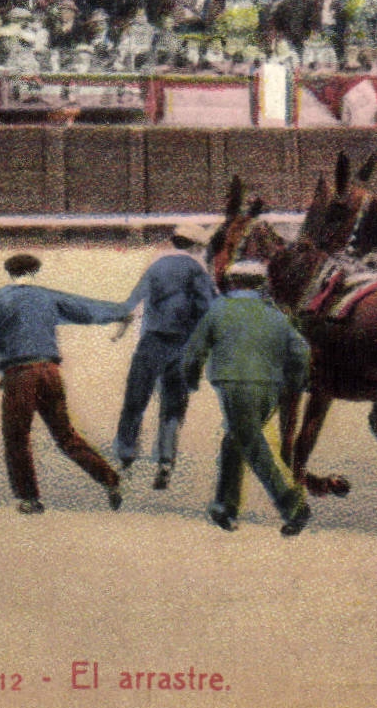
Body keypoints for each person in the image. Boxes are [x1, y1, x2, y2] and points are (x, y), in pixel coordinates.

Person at [0, 253, 130, 514]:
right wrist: (120, 313)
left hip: (19, 374)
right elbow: (86, 309)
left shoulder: (0, 298)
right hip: (49, 372)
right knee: (65, 435)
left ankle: (29, 498)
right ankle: (109, 479)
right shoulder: (46, 297)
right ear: (34, 273)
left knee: (17, 437)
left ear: (10, 274)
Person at [179, 260, 313, 536]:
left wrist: (190, 378)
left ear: (230, 282)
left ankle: (292, 504)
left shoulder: (219, 308)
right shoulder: (274, 312)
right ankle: (223, 507)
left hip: (235, 384)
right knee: (236, 438)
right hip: (270, 389)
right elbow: (301, 350)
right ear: (261, 283)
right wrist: (295, 381)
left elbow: (195, 349)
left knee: (250, 443)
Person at [113, 222, 218, 489]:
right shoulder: (197, 270)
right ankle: (165, 461)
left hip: (151, 341)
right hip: (182, 345)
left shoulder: (156, 266)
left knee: (135, 400)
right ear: (196, 246)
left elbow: (133, 300)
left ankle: (125, 457)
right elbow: (210, 308)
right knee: (172, 406)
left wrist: (121, 327)